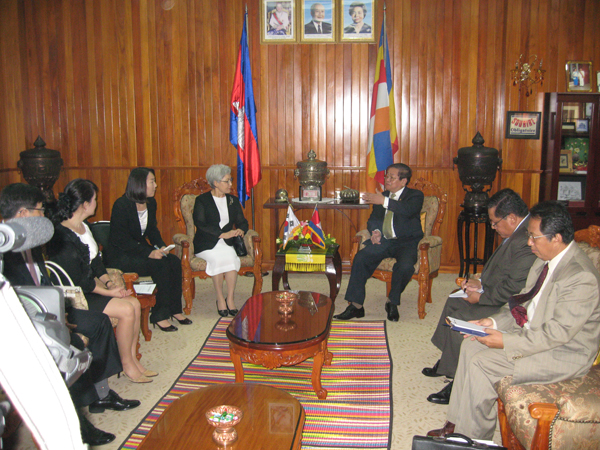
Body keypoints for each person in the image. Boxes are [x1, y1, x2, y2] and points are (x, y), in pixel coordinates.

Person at [427, 201, 600, 441]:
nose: (529, 243)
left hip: (563, 354)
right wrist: (492, 323)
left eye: (534, 237)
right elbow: (522, 304)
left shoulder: (580, 276)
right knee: (469, 345)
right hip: (535, 336)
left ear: (556, 238)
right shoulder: (544, 260)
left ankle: (472, 439)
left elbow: (557, 334)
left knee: (483, 363)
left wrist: (506, 342)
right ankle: (456, 423)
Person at [0, 183, 140, 446]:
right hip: (23, 327)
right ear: (23, 214)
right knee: (70, 345)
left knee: (99, 323)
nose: (44, 216)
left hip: (48, 313)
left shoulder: (29, 239)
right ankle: (80, 425)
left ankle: (101, 395)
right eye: (40, 211)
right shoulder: (4, 252)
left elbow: (43, 284)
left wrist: (60, 313)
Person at [422, 189, 537, 405]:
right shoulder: (516, 232)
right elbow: (503, 270)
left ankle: (457, 380)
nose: (492, 227)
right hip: (494, 291)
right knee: (454, 299)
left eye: (494, 222)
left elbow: (514, 288)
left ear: (512, 218)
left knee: (462, 317)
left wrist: (480, 298)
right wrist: (480, 283)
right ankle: (447, 361)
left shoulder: (525, 241)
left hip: (508, 306)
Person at [47, 179, 157, 384]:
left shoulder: (84, 226)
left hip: (92, 288)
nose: (96, 203)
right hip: (76, 297)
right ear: (85, 204)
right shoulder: (62, 236)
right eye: (95, 199)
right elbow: (79, 280)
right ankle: (126, 364)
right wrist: (108, 293)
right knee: (127, 309)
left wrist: (109, 283)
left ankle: (133, 360)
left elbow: (96, 262)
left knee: (134, 303)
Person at [335, 163, 423, 322]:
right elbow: (374, 219)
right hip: (385, 240)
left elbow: (407, 210)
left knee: (405, 267)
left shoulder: (415, 196)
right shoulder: (382, 196)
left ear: (403, 181)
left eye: (392, 177)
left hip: (407, 243)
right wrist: (375, 231)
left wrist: (384, 201)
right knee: (361, 258)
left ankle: (392, 302)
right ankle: (356, 306)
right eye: (386, 176)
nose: (387, 180)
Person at [105, 167, 188, 332]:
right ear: (140, 184)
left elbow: (152, 230)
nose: (155, 185)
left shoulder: (151, 203)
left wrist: (161, 246)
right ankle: (159, 315)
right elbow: (121, 239)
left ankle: (175, 309)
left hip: (140, 249)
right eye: (152, 181)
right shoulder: (121, 205)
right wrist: (149, 253)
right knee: (160, 265)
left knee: (173, 261)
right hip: (122, 254)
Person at [193, 164, 249, 316]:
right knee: (218, 259)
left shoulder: (233, 200)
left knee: (230, 258)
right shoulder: (202, 200)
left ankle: (230, 298)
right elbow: (200, 224)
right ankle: (220, 299)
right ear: (215, 183)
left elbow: (243, 222)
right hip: (207, 244)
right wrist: (221, 234)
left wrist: (241, 230)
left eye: (231, 180)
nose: (230, 184)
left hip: (227, 244)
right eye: (227, 181)